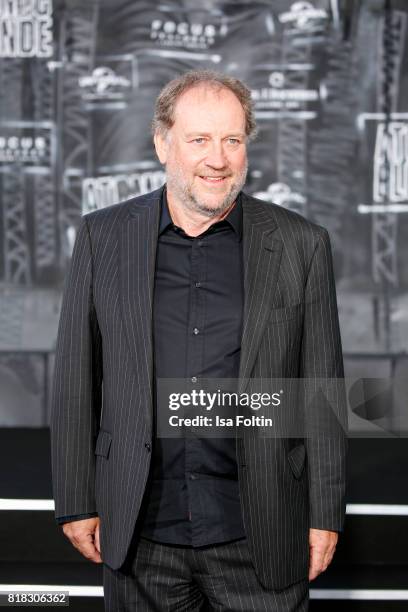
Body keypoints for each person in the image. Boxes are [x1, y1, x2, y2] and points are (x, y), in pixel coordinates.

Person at [50, 69, 347, 611]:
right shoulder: (103, 238)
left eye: (232, 140)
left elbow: (321, 392)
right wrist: (74, 499)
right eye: (200, 140)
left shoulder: (303, 245)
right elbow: (75, 378)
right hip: (140, 535)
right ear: (163, 143)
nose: (219, 158)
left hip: (260, 533)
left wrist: (325, 512)